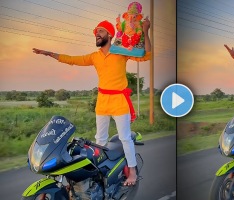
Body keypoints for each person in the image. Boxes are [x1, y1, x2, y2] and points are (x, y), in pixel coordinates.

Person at [33, 18, 151, 185]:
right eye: (96, 32)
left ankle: (132, 171)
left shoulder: (121, 52)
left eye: (100, 31)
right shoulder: (94, 57)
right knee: (100, 139)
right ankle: (101, 173)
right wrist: (49, 54)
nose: (97, 34)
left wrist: (145, 31)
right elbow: (72, 59)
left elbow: (146, 55)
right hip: (102, 101)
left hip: (119, 101)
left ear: (110, 35)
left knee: (125, 138)